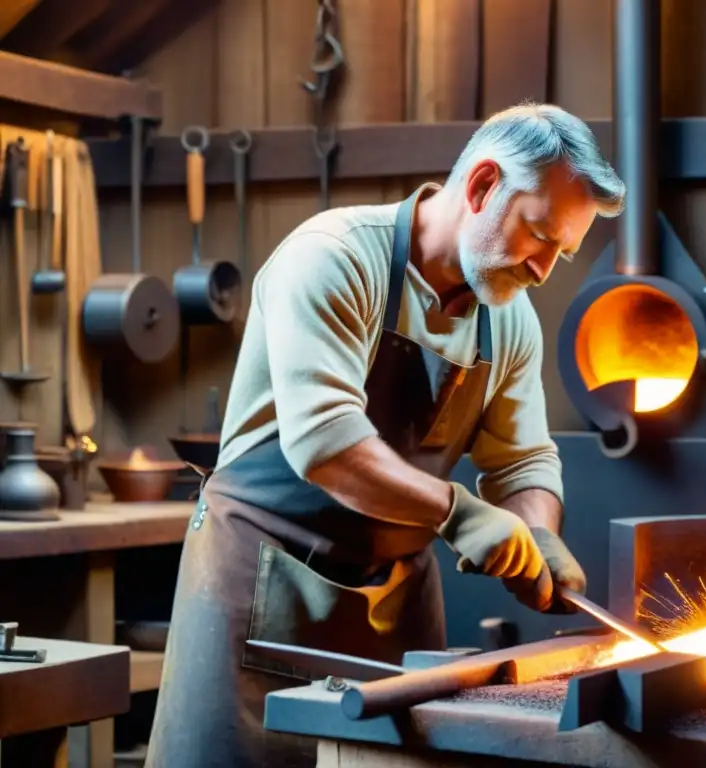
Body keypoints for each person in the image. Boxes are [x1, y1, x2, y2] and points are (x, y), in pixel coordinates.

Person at [144, 103, 626, 768]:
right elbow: (326, 441)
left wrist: (535, 529)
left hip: (393, 599)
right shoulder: (334, 258)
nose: (545, 270)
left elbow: (524, 462)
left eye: (562, 252)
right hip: (259, 579)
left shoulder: (509, 320)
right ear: (483, 185)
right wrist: (459, 514)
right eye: (539, 235)